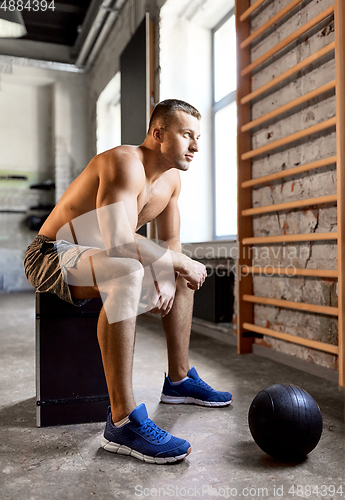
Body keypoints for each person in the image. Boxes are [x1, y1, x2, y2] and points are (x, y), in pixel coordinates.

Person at [24, 99, 233, 464]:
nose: (196, 146)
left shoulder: (171, 181)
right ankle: (122, 422)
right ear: (158, 134)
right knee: (128, 271)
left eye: (198, 137)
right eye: (187, 135)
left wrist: (170, 276)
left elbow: (171, 244)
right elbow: (120, 241)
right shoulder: (125, 163)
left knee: (182, 275)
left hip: (97, 256)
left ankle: (180, 380)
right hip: (53, 253)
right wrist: (174, 262)